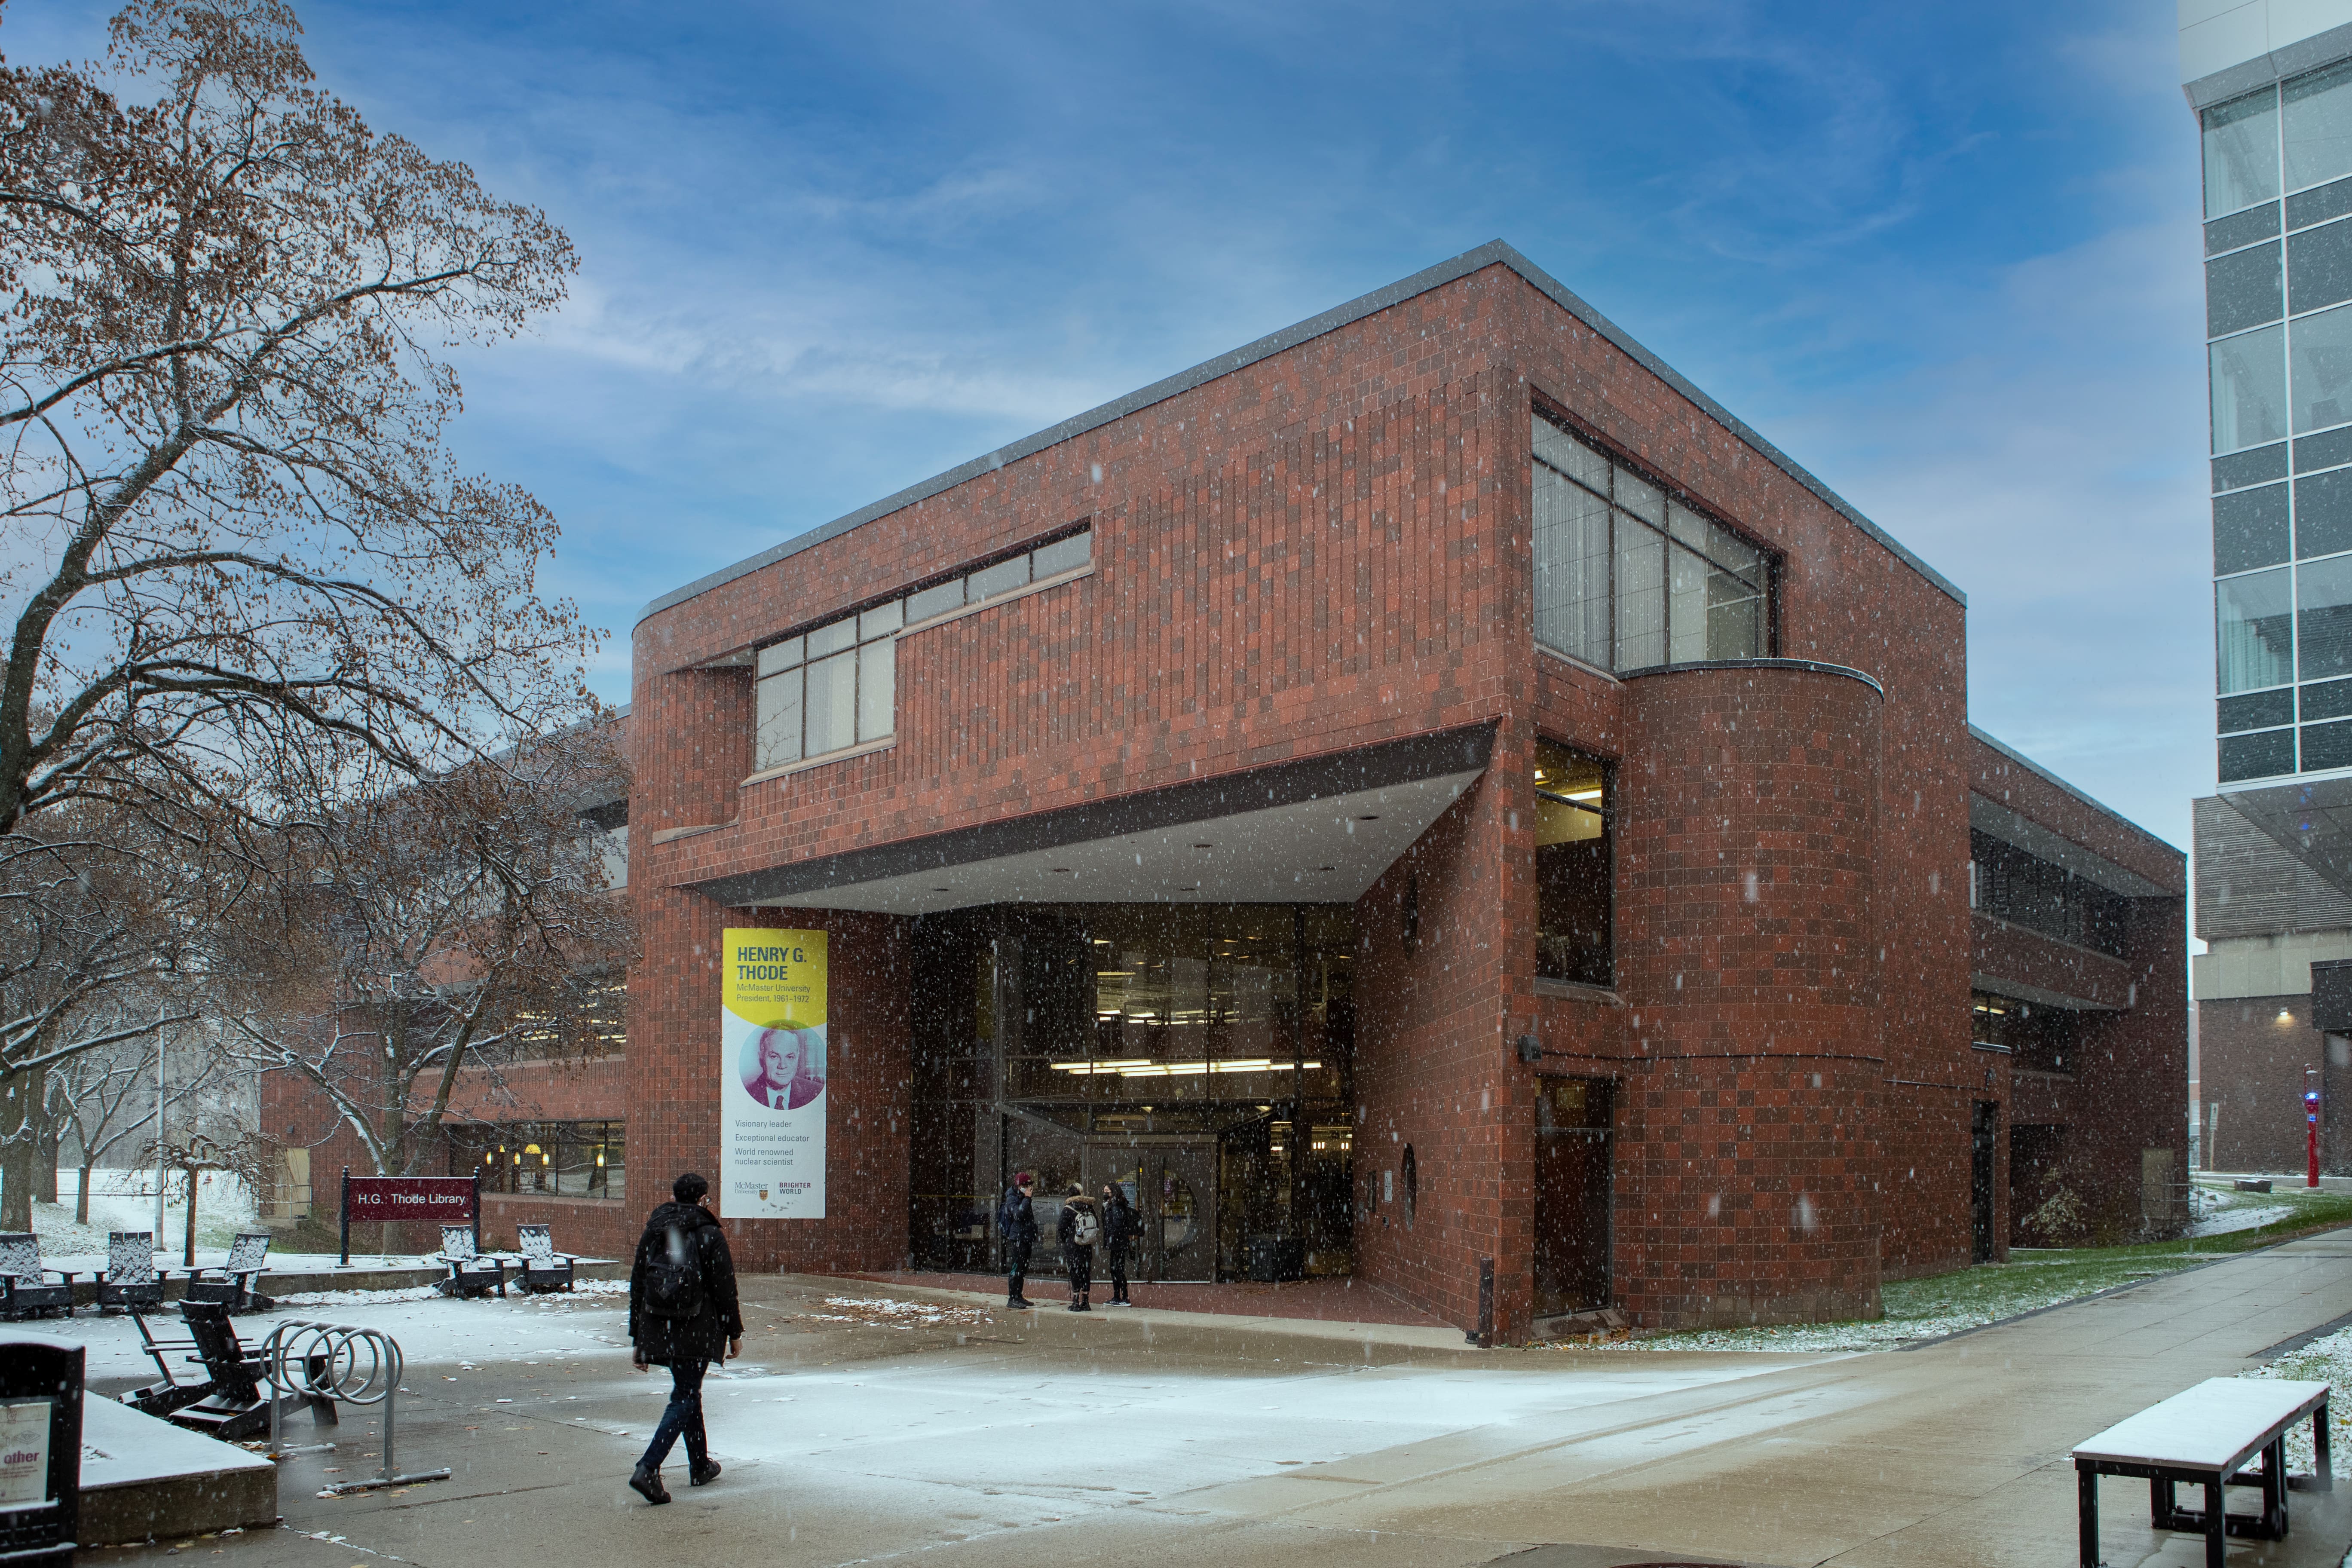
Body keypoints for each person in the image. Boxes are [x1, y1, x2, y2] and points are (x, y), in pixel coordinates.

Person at [626, 1171, 744, 1505]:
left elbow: (638, 1283)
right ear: (704, 1198)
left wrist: (638, 1338)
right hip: (696, 1328)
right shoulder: (709, 1232)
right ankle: (648, 1468)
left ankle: (699, 1465)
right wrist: (734, 1332)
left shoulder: (655, 1228)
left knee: (689, 1392)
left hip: (660, 1326)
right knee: (685, 1396)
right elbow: (725, 1288)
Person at [744, 1026, 824, 1110]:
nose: (782, 1066)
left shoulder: (817, 1092)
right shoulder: (745, 1094)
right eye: (774, 1057)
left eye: (790, 1057)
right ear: (761, 1059)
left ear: (798, 1057)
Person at [1057, 1182, 1100, 1313]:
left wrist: (1068, 1240)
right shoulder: (1089, 1207)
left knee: (1075, 1272)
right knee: (1086, 1272)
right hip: (1086, 1246)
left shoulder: (1068, 1209)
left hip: (1073, 1246)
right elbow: (1096, 1225)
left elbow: (1061, 1229)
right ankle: (1086, 1301)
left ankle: (1076, 1301)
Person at [998, 1170, 1038, 1309]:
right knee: (1016, 1268)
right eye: (1026, 1185)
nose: (1029, 1188)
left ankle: (1019, 1296)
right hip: (1018, 1238)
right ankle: (1013, 1298)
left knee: (1022, 1269)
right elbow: (1019, 1214)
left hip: (1026, 1237)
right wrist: (1027, 1199)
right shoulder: (1012, 1198)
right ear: (1020, 1185)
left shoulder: (1021, 1197)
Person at [1099, 1181, 1137, 1307]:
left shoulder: (1117, 1206)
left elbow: (1117, 1225)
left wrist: (1113, 1239)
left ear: (1113, 1193)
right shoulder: (1111, 1205)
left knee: (1118, 1270)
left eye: (1107, 1192)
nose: (1105, 1194)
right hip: (1116, 1243)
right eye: (1104, 1192)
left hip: (1118, 1243)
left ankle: (1124, 1298)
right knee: (1114, 1269)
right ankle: (1117, 1296)